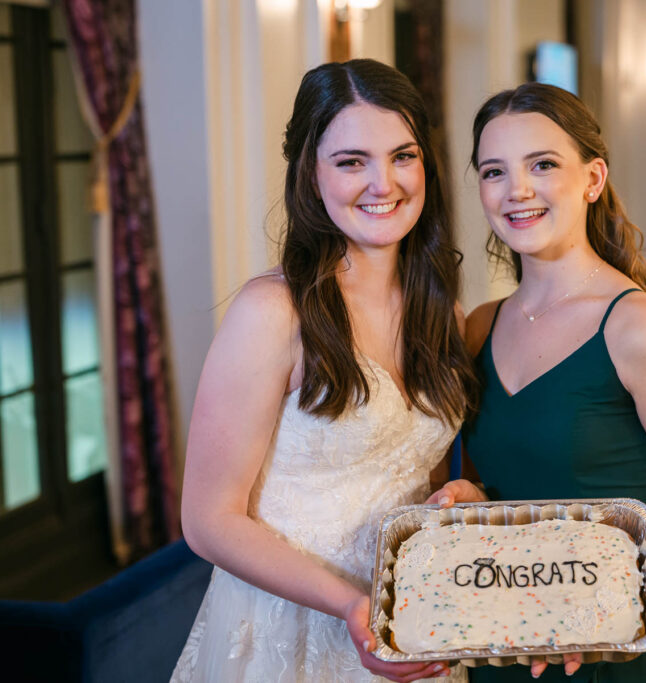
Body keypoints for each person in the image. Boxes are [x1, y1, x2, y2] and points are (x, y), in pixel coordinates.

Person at [171, 59, 475, 683]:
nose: (383, 183)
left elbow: (422, 475)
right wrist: (348, 605)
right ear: (311, 175)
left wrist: (460, 500)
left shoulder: (443, 309)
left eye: (403, 155)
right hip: (290, 631)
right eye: (351, 161)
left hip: (409, 620)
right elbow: (208, 521)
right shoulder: (273, 311)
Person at [429, 83, 646, 682]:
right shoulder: (478, 326)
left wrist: (597, 584)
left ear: (593, 178)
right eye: (494, 172)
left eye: (542, 164)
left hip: (608, 635)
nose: (517, 190)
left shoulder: (638, 328)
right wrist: (471, 496)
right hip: (506, 631)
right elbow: (491, 472)